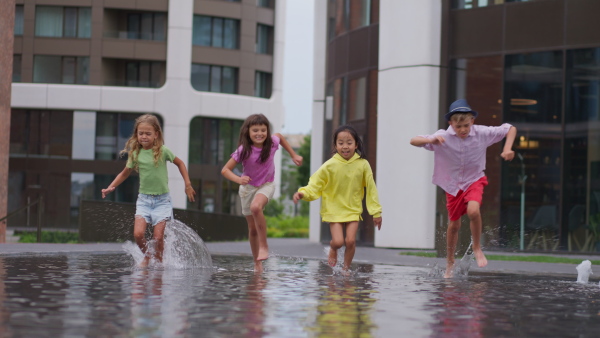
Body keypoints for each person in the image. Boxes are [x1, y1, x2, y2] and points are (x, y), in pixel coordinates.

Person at [410, 99, 517, 278]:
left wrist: (507, 148)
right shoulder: (442, 136)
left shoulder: (482, 133)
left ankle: (476, 247)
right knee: (454, 226)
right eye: (458, 126)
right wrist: (432, 139)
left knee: (473, 211)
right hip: (452, 185)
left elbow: (510, 128)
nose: (462, 130)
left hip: (474, 180)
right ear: (451, 123)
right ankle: (450, 262)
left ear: (472, 122)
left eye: (466, 125)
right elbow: (413, 140)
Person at [102, 114, 196, 268]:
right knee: (138, 234)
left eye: (148, 133)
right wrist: (111, 186)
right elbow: (125, 173)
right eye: (141, 133)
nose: (144, 137)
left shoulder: (163, 150)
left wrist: (187, 184)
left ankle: (159, 266)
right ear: (136, 135)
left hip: (162, 201)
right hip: (144, 201)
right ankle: (147, 256)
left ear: (156, 134)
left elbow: (180, 163)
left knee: (158, 238)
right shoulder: (136, 154)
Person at [293, 125, 382, 273]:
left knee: (351, 241)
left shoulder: (363, 164)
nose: (345, 146)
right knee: (339, 242)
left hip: (353, 209)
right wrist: (303, 193)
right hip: (334, 210)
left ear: (356, 144)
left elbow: (371, 189)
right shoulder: (329, 165)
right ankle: (333, 247)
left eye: (349, 142)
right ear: (335, 145)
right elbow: (315, 184)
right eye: (341, 143)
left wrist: (376, 212)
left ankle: (345, 270)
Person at [221, 113, 302, 272]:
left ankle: (264, 245)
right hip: (247, 189)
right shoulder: (243, 150)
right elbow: (225, 170)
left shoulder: (272, 143)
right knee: (252, 229)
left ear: (267, 131)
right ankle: (257, 262)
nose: (260, 134)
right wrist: (239, 179)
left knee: (256, 207)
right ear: (248, 132)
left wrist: (293, 154)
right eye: (255, 130)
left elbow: (280, 136)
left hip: (266, 185)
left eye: (263, 130)